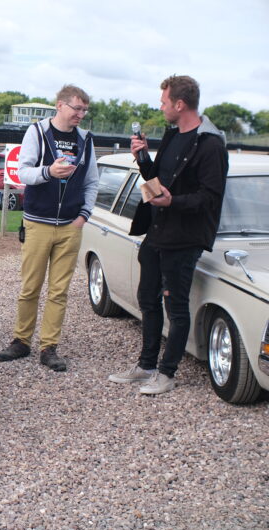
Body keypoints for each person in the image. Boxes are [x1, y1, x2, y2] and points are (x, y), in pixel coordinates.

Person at [109, 75, 228, 395]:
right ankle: (146, 365)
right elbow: (156, 181)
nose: (160, 107)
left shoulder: (210, 144)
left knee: (176, 308)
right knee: (147, 299)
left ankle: (166, 373)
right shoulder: (173, 135)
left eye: (164, 102)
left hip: (184, 239)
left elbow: (211, 197)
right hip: (157, 233)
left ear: (180, 104)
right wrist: (142, 157)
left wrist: (173, 201)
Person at [0, 84, 99, 372]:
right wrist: (48, 172)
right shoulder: (38, 133)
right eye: (77, 108)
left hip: (70, 226)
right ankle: (21, 340)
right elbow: (23, 173)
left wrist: (83, 216)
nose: (81, 114)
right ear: (60, 105)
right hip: (38, 223)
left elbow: (92, 182)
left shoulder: (85, 140)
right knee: (30, 287)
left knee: (59, 291)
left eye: (84, 109)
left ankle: (49, 347)